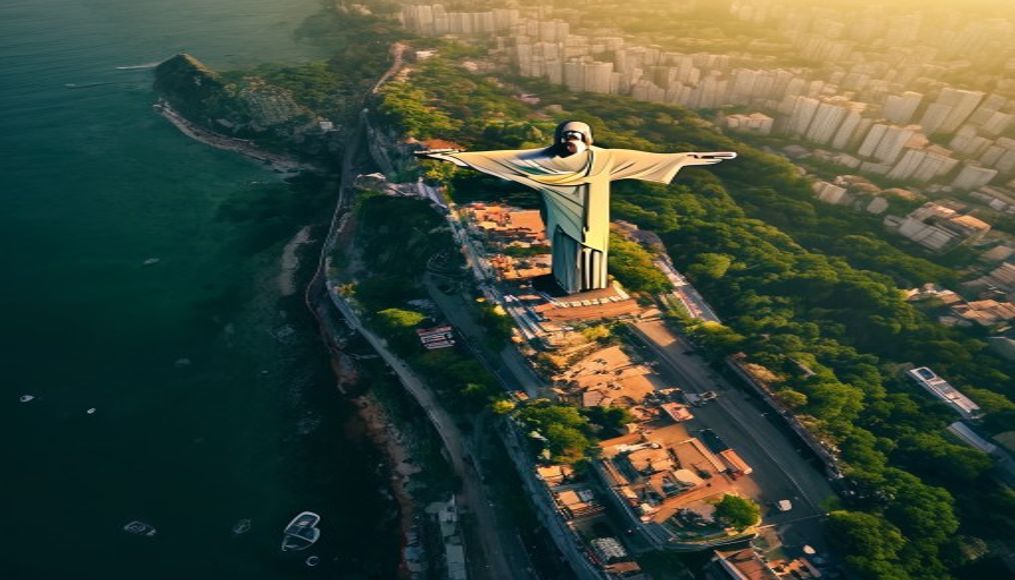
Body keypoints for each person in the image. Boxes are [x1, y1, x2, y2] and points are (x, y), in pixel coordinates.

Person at [417, 121, 735, 294]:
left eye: (577, 136)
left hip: (593, 217)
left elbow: (652, 160)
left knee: (593, 255)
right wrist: (449, 156)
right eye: (567, 136)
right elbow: (494, 158)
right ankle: (564, 284)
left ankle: (590, 287)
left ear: (587, 138)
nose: (572, 141)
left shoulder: (605, 158)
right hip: (561, 217)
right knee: (566, 254)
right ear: (559, 138)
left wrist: (689, 157)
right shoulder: (540, 160)